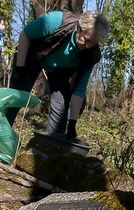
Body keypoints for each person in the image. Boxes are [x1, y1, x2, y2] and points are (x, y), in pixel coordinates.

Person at [8, 10, 109, 143]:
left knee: (61, 107)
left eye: (94, 43)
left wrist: (72, 122)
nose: (88, 46)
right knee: (16, 96)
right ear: (78, 27)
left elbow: (79, 89)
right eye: (87, 40)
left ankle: (50, 147)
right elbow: (26, 34)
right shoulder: (56, 21)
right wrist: (19, 68)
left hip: (60, 71)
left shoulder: (91, 55)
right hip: (35, 55)